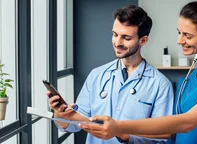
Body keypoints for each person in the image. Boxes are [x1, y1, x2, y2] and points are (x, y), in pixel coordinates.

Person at [79, 1, 197, 144]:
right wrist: (122, 133)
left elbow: (186, 123)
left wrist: (119, 126)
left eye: (187, 35)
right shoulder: (193, 75)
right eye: (179, 32)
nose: (179, 41)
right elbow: (171, 131)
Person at [48, 4, 174, 144]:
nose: (117, 42)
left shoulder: (160, 84)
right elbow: (75, 125)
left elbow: (162, 138)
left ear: (143, 40)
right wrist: (61, 114)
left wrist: (123, 135)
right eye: (115, 34)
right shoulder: (96, 76)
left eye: (126, 38)